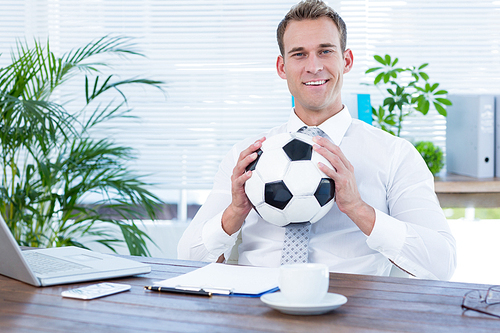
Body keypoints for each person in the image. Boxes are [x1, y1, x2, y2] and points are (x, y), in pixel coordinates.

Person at [177, 0, 456, 280]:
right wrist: (235, 212)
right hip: (256, 306)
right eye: (299, 54)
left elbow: (441, 265)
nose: (314, 66)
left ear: (346, 61)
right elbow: (187, 259)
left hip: (352, 310)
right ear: (281, 67)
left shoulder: (395, 154)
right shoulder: (247, 155)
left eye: (325, 51)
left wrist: (358, 209)